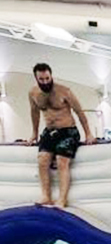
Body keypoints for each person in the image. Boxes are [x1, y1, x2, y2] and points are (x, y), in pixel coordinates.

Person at [28, 63, 96, 208]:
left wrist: (88, 133)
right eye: (42, 79)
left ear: (51, 75)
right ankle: (46, 196)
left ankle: (62, 199)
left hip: (68, 131)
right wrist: (34, 133)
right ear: (36, 78)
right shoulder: (33, 93)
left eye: (47, 78)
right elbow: (34, 113)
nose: (45, 82)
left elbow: (79, 112)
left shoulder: (64, 91)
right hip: (49, 131)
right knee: (42, 160)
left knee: (61, 161)